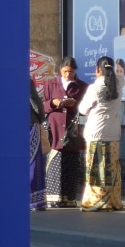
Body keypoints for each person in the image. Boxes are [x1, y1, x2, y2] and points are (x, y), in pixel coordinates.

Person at [77, 55, 125, 212]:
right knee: (112, 167)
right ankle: (113, 200)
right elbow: (120, 74)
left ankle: (96, 201)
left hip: (96, 133)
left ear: (97, 69)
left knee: (96, 167)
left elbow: (82, 110)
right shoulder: (119, 83)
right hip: (113, 133)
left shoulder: (95, 88)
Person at [41, 56, 88, 208]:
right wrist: (53, 103)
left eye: (71, 72)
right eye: (65, 71)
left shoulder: (81, 86)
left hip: (72, 129)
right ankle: (54, 198)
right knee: (55, 160)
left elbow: (86, 108)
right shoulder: (50, 84)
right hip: (55, 126)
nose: (68, 75)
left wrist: (75, 104)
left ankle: (69, 198)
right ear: (60, 70)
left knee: (71, 161)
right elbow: (43, 106)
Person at [29, 78, 47, 211]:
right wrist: (41, 118)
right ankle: (35, 200)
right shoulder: (25, 80)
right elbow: (35, 102)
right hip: (29, 124)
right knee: (33, 162)